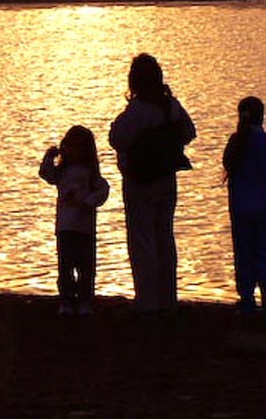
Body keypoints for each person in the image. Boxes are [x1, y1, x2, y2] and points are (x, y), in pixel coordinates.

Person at [109, 53, 196, 314]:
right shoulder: (171, 106)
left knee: (142, 240)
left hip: (140, 180)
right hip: (166, 179)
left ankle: (147, 302)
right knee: (164, 238)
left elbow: (117, 139)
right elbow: (190, 132)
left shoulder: (138, 109)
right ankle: (167, 299)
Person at [222, 96, 266, 313]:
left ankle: (247, 298)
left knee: (244, 253)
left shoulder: (235, 141)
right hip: (265, 207)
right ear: (262, 116)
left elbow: (227, 164)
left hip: (240, 208)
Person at [39, 125, 110, 316]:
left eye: (78, 146)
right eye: (70, 145)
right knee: (65, 266)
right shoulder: (62, 171)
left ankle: (85, 300)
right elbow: (46, 174)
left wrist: (87, 202)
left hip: (84, 227)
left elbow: (102, 190)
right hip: (65, 226)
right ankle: (67, 301)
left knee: (86, 267)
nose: (73, 150)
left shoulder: (90, 173)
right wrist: (49, 156)